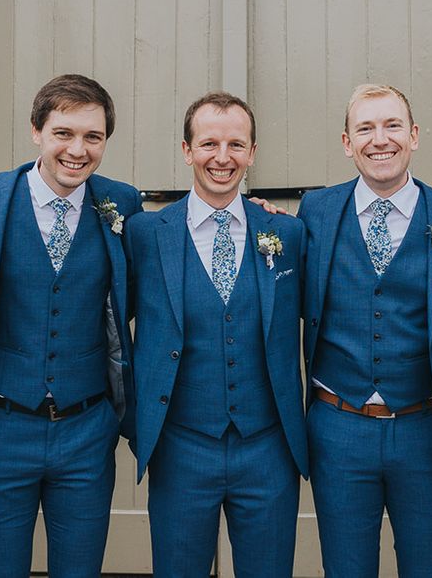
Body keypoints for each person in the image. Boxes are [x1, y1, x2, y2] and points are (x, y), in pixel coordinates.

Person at [0, 73, 142, 578]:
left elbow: (174, 251)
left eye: (93, 137)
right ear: (37, 130)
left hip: (87, 430)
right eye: (64, 133)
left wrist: (252, 216)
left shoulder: (122, 204)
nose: (78, 150)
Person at [126, 91, 308, 577]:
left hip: (268, 447)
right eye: (208, 144)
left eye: (236, 145)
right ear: (187, 151)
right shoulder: (145, 234)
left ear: (252, 153)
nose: (222, 158)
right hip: (182, 445)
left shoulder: (287, 235)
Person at [299, 84, 432, 578]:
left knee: (429, 568)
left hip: (426, 429)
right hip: (339, 427)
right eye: (365, 127)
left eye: (391, 126)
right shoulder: (315, 214)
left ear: (413, 136)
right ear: (347, 142)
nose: (379, 139)